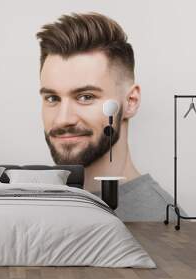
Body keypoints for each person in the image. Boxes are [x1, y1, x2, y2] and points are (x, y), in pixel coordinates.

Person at [36, 12, 185, 221]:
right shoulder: (34, 207)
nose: (63, 119)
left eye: (86, 97)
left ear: (130, 102)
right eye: (52, 98)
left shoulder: (163, 223)